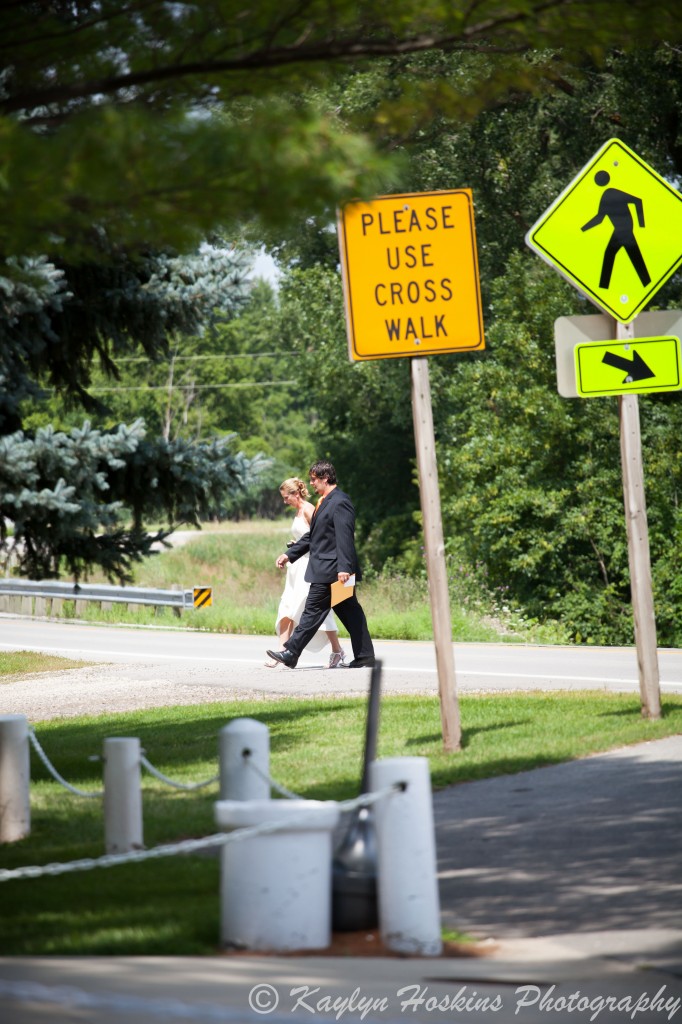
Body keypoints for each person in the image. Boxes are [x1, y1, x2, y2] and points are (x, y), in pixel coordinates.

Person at [266, 461, 376, 669]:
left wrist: (344, 567)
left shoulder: (340, 501)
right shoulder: (324, 501)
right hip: (330, 569)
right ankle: (365, 656)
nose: (311, 483)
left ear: (325, 478)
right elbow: (313, 537)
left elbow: (345, 537)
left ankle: (291, 652)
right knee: (351, 613)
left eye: (314, 479)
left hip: (334, 571)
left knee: (312, 610)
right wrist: (290, 554)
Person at [267, 477, 346, 669]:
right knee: (287, 608)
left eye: (286, 497)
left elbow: (321, 538)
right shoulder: (298, 511)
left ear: (296, 494)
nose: (285, 501)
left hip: (310, 567)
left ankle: (337, 649)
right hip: (296, 568)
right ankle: (281, 652)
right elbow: (308, 538)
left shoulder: (310, 509)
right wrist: (296, 547)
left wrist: (301, 548)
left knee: (315, 610)